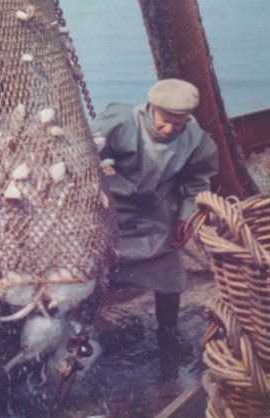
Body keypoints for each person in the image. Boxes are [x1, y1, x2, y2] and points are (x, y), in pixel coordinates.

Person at [92, 79, 219, 356]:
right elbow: (84, 153)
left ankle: (168, 332)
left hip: (154, 213)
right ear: (151, 108)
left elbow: (197, 182)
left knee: (170, 272)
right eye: (164, 120)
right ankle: (82, 332)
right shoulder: (120, 121)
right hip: (109, 210)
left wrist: (186, 216)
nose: (170, 129)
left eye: (179, 123)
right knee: (89, 271)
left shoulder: (195, 139)